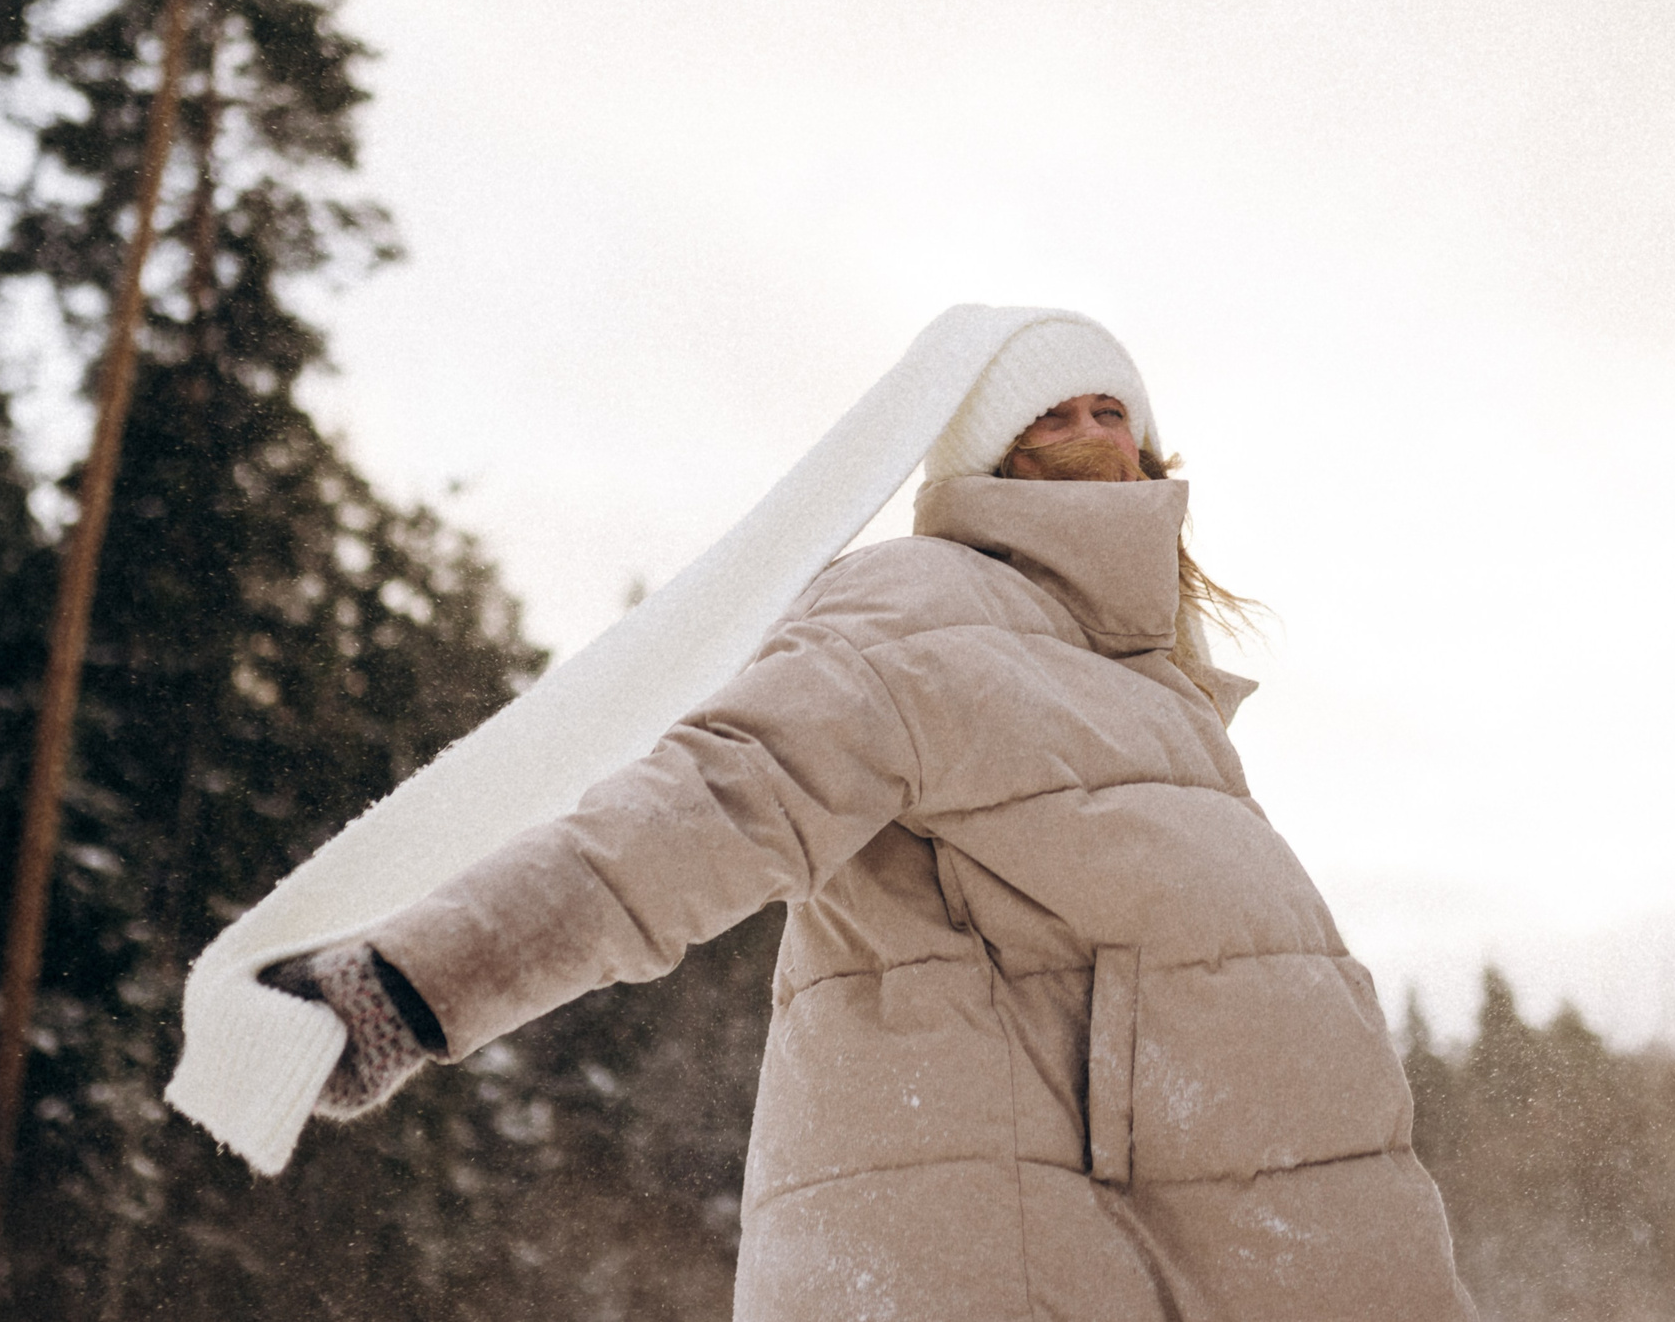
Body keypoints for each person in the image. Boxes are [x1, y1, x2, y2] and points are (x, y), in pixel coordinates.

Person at [187, 307, 1476, 1322]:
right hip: (1028, 1237)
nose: (1092, 433)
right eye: (1048, 415)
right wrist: (414, 983)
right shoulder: (917, 606)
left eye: (1113, 408)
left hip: (1235, 1226)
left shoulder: (1158, 685)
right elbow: (704, 807)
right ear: (982, 459)